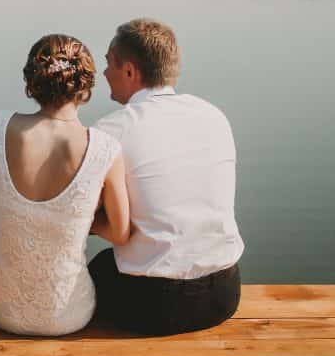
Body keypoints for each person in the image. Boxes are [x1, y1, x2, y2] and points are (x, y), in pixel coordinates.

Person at [89, 18, 244, 335]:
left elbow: (86, 209)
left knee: (97, 269)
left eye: (109, 64)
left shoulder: (111, 131)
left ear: (130, 71)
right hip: (224, 295)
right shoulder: (214, 116)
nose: (103, 74)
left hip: (154, 305)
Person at [0, 34, 131, 336]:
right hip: (67, 315)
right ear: (85, 88)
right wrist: (80, 219)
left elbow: (4, 193)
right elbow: (120, 232)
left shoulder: (0, 127)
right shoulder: (104, 149)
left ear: (32, 82)